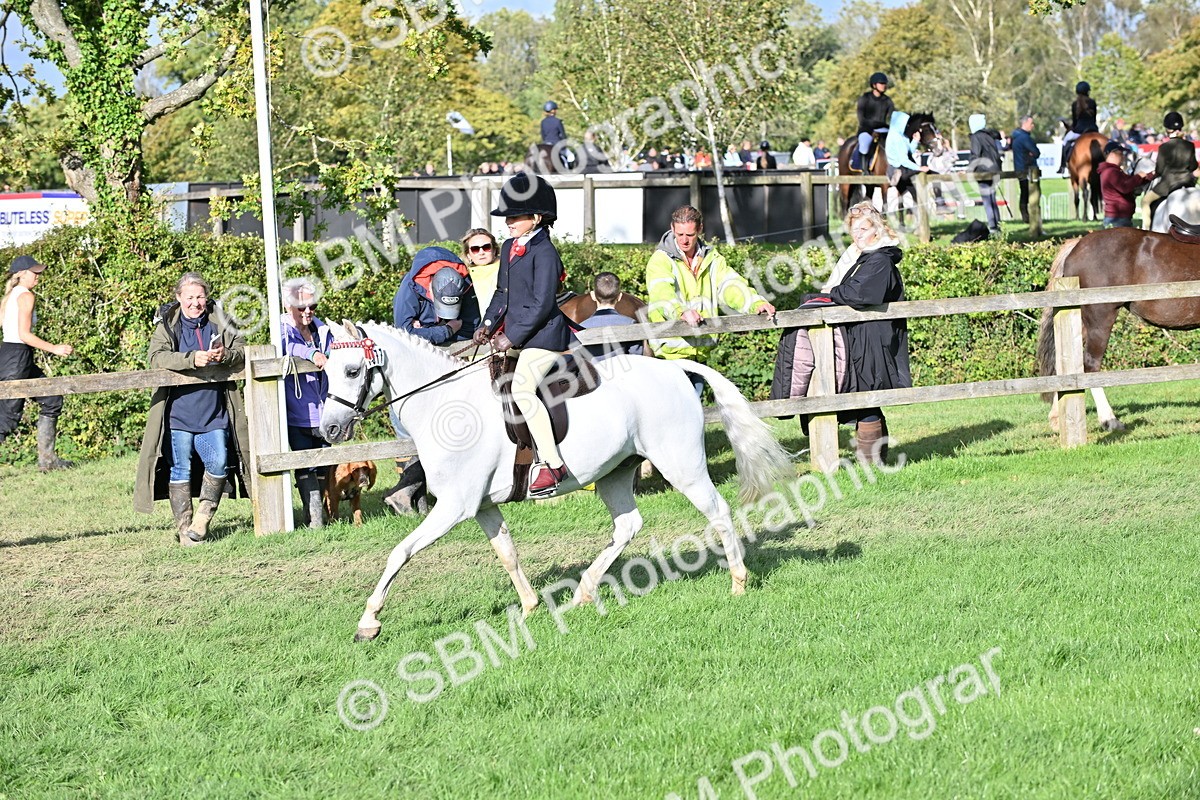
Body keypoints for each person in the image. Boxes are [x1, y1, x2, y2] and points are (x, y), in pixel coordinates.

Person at [770, 202, 910, 465]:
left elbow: (860, 294)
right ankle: (874, 462)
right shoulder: (862, 257)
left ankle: (872, 463)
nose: (858, 235)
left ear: (877, 230)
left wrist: (829, 294)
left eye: (864, 228)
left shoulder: (880, 260)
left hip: (874, 338)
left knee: (867, 397)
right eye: (854, 229)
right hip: (861, 336)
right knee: (863, 397)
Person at [473, 173, 574, 496]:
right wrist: (487, 325)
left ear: (537, 218)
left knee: (521, 388)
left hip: (545, 337)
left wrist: (510, 336)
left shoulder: (545, 253)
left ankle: (553, 463)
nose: (508, 222)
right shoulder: (509, 246)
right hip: (520, 336)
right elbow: (502, 293)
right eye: (508, 216)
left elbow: (542, 304)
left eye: (515, 216)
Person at [135, 272, 249, 546]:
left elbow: (242, 350)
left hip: (215, 412)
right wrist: (191, 359)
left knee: (219, 463)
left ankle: (203, 518)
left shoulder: (221, 321)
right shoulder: (167, 325)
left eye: (200, 296)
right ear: (179, 298)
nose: (195, 303)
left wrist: (225, 355)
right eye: (189, 297)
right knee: (180, 470)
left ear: (206, 297)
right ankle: (185, 529)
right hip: (179, 414)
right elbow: (155, 357)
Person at [645, 205, 775, 392]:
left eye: (689, 235)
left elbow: (730, 286)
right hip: (669, 356)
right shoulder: (661, 260)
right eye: (679, 234)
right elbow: (661, 292)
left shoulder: (712, 258)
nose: (684, 241)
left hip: (700, 355)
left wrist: (756, 303)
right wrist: (681, 312)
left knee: (694, 417)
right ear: (672, 228)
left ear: (700, 229)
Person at [0, 254, 74, 470]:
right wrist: (55, 348)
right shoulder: (26, 296)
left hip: (13, 355)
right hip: (17, 357)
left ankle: (48, 460)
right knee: (6, 417)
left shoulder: (11, 295)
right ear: (22, 274)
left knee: (51, 398)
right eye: (35, 272)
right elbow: (23, 334)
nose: (39, 276)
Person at [280, 277, 331, 528]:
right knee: (304, 466)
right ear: (289, 306)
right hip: (297, 411)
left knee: (323, 464)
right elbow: (288, 348)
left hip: (325, 409)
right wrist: (312, 354)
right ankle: (314, 520)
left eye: (312, 306)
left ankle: (320, 514)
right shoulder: (281, 329)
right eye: (302, 307)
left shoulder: (323, 330)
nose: (308, 311)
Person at [392, 246, 479, 346]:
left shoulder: (465, 283)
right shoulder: (410, 286)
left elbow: (471, 330)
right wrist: (447, 330)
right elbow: (403, 334)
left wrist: (423, 334)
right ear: (430, 288)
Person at [1141, 111, 1199, 228]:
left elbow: (1160, 170)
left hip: (1167, 184)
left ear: (1167, 129)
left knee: (1145, 201)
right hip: (1188, 182)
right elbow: (1193, 166)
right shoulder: (1189, 145)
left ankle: (1146, 230)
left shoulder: (1163, 147)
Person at [578, 272, 645, 362]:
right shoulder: (630, 324)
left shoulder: (581, 327)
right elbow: (637, 357)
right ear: (620, 296)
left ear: (593, 296)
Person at [1097, 140, 1152, 228]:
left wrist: (1148, 176)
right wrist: (1138, 176)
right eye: (1120, 154)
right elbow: (1125, 187)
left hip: (1120, 217)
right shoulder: (1111, 172)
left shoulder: (1115, 171)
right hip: (1117, 218)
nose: (1123, 157)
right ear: (1111, 154)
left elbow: (1130, 182)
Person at [969, 113, 1004, 233]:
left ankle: (993, 227)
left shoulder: (976, 137)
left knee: (987, 200)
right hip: (994, 171)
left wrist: (969, 169)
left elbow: (975, 155)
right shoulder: (989, 136)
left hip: (983, 172)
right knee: (992, 199)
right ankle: (997, 225)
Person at [855, 72, 895, 173]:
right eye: (881, 83)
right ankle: (864, 171)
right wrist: (872, 129)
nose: (884, 85)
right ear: (874, 85)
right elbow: (862, 119)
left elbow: (892, 116)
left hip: (883, 130)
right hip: (867, 130)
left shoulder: (888, 101)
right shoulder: (865, 99)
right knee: (864, 144)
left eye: (885, 83)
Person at [884, 110, 929, 195]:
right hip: (899, 170)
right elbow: (903, 160)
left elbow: (908, 152)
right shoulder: (896, 137)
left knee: (915, 195)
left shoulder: (902, 136)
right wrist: (919, 168)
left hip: (904, 168)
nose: (907, 125)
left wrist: (915, 141)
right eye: (905, 123)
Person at [1059, 81, 1098, 174]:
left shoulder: (1075, 104)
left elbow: (1075, 121)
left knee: (1065, 142)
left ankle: (1062, 165)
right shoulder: (1092, 102)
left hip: (1079, 131)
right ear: (1088, 91)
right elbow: (1094, 119)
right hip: (1093, 130)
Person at [1010, 114, 1041, 224]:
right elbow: (1036, 152)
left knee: (1024, 193)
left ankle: (1025, 216)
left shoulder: (1015, 137)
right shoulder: (1025, 138)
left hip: (1019, 168)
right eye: (1031, 123)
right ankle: (1033, 218)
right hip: (1028, 169)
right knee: (1033, 194)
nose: (1033, 126)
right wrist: (1032, 154)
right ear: (1025, 123)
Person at [462, 228, 500, 311]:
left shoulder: (506, 270)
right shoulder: (463, 276)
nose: (481, 252)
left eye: (486, 247)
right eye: (475, 249)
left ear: (494, 250)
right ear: (468, 254)